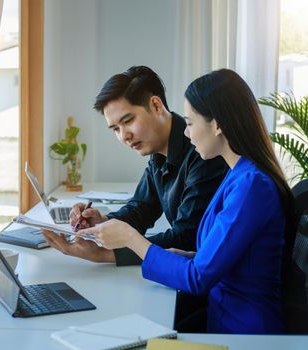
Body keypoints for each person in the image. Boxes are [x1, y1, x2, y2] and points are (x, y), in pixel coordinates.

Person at [76, 69, 295, 334]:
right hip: (222, 317)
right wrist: (188, 256)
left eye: (190, 123)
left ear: (217, 125)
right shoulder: (239, 175)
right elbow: (217, 257)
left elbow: (198, 277)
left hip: (244, 334)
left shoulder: (251, 185)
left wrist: (133, 241)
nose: (187, 134)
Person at [43, 66, 228, 266]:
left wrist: (105, 255)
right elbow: (141, 208)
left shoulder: (203, 150)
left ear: (156, 105)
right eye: (115, 129)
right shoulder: (158, 151)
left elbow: (186, 238)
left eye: (128, 121)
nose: (124, 136)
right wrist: (102, 220)